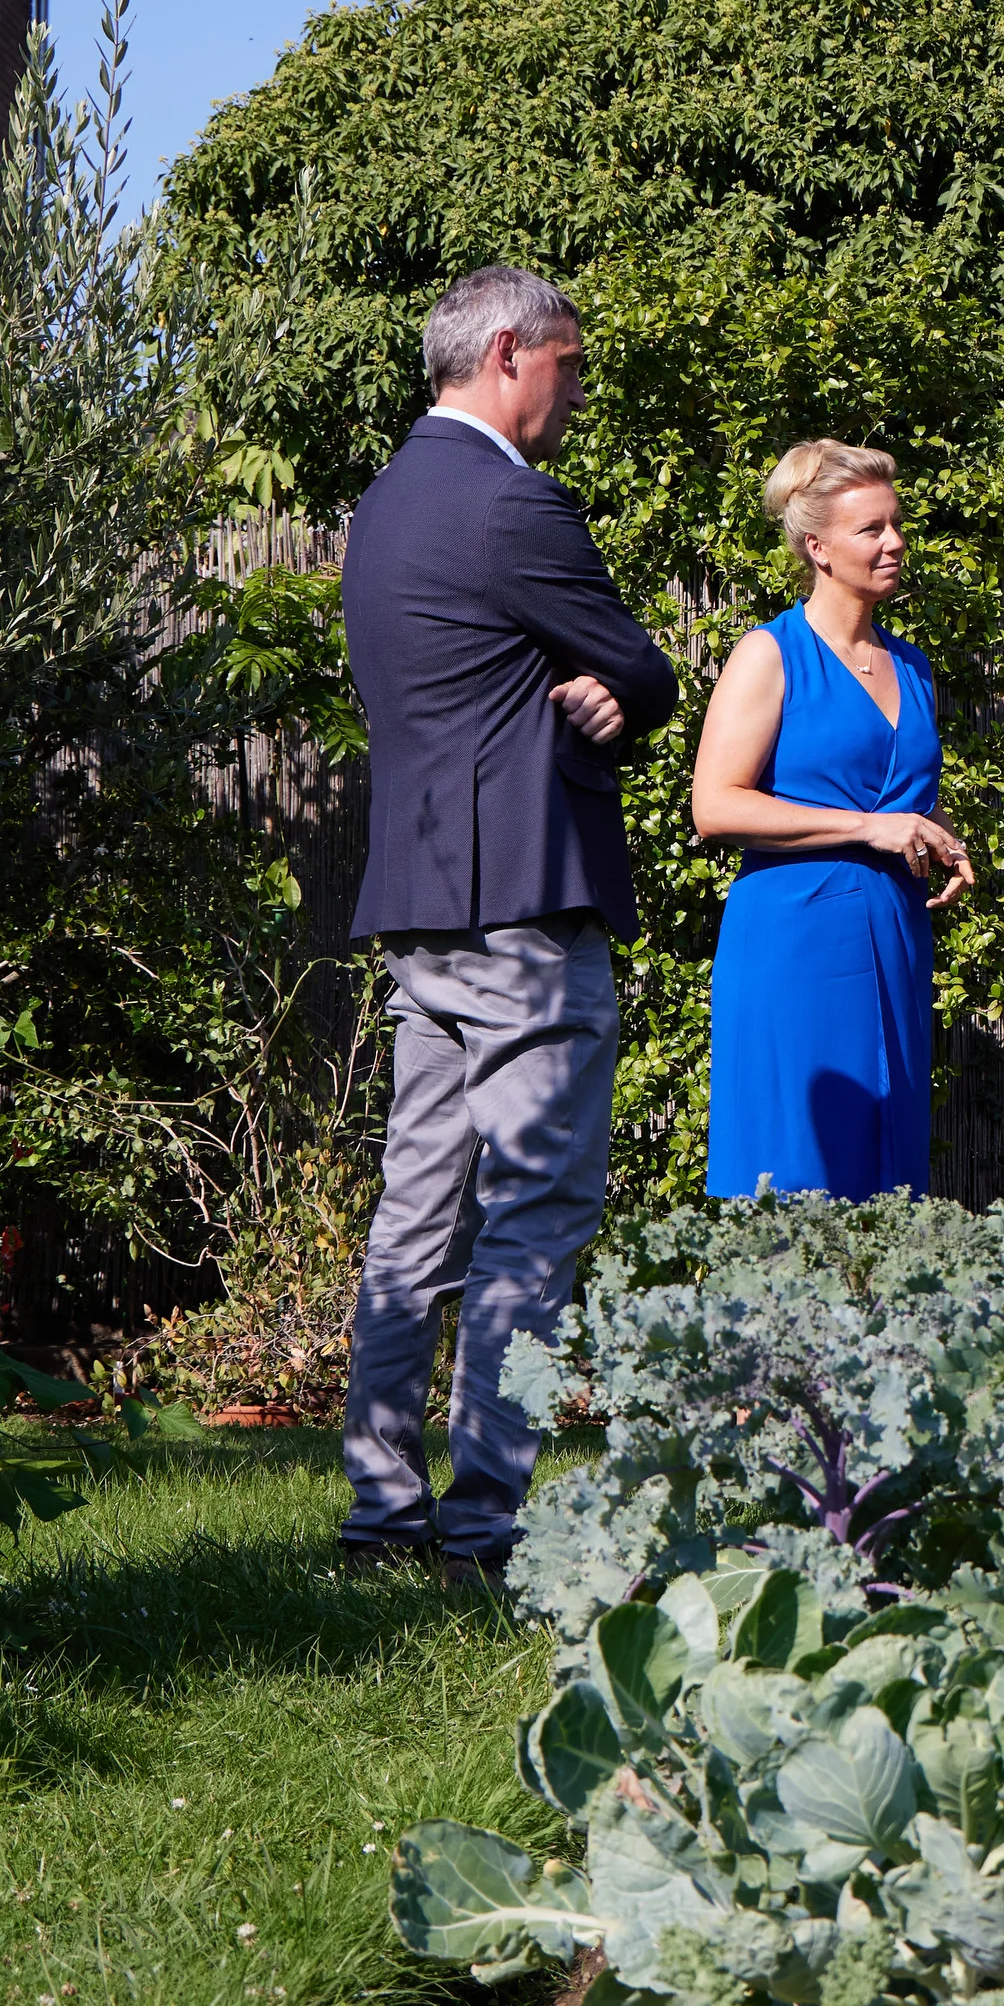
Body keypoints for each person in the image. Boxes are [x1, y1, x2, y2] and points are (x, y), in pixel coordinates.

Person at [332, 268, 680, 1587]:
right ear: (506, 353)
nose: (576, 392)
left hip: (419, 906)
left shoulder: (384, 505)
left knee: (415, 1219)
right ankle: (484, 1528)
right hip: (526, 905)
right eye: (570, 365)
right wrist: (613, 689)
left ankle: (379, 1516)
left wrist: (579, 685)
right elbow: (640, 664)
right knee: (535, 1214)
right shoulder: (513, 503)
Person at [691, 441, 975, 1198]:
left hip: (895, 935)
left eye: (895, 524)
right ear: (816, 547)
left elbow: (901, 793)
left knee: (887, 1167)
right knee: (798, 1170)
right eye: (871, 530)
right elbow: (715, 807)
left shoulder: (910, 665)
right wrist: (869, 828)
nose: (895, 542)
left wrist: (939, 836)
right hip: (795, 939)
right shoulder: (769, 655)